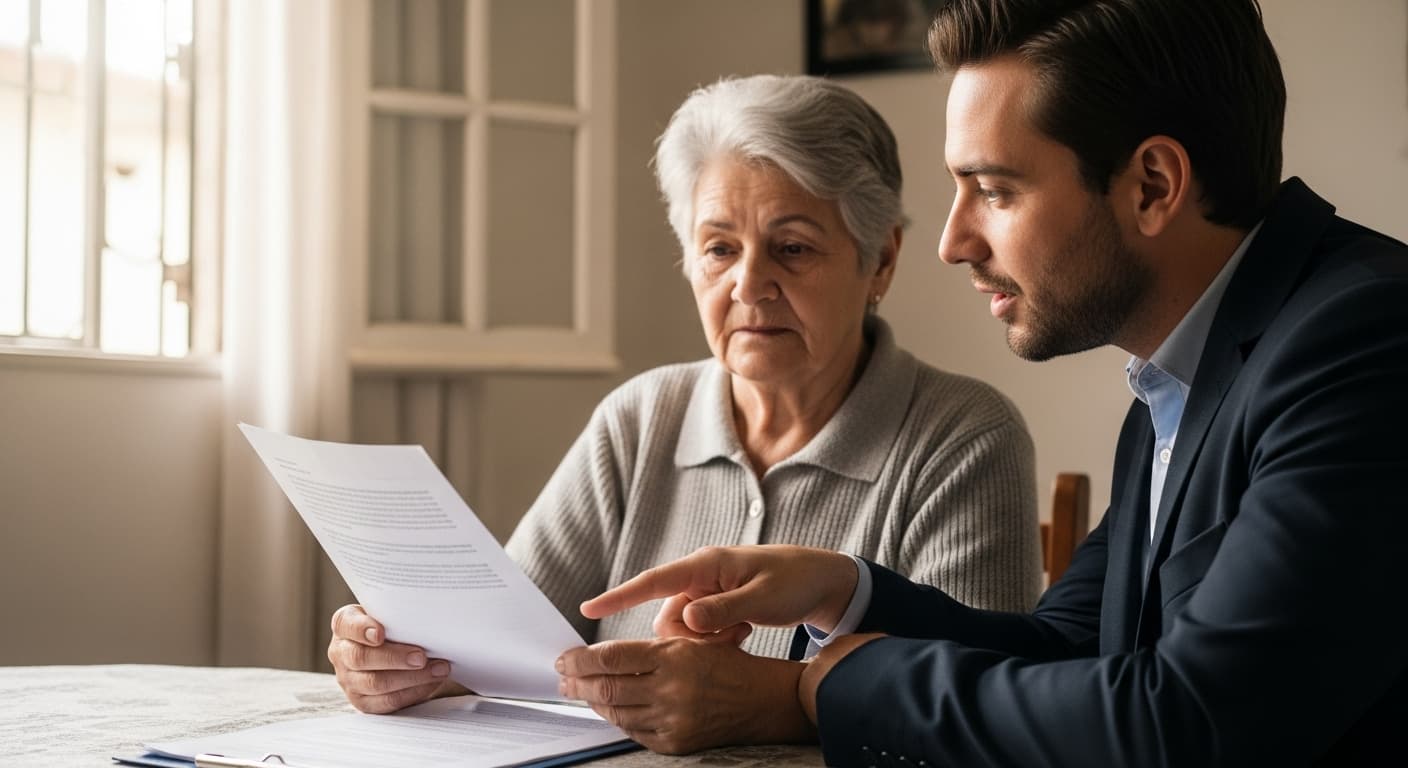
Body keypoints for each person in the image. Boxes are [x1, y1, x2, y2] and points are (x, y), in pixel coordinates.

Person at [558, 1, 1408, 764]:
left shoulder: (1364, 340)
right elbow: (1073, 646)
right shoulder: (1187, 371)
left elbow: (1192, 721)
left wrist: (809, 692)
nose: (953, 241)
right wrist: (843, 588)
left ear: (1153, 185)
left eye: (993, 190)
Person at [328, 74, 1042, 727]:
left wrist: (757, 700)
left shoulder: (964, 436)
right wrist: (406, 664)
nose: (748, 286)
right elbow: (495, 646)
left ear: (879, 258)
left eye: (792, 249)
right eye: (719, 248)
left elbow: (976, 712)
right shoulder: (641, 418)